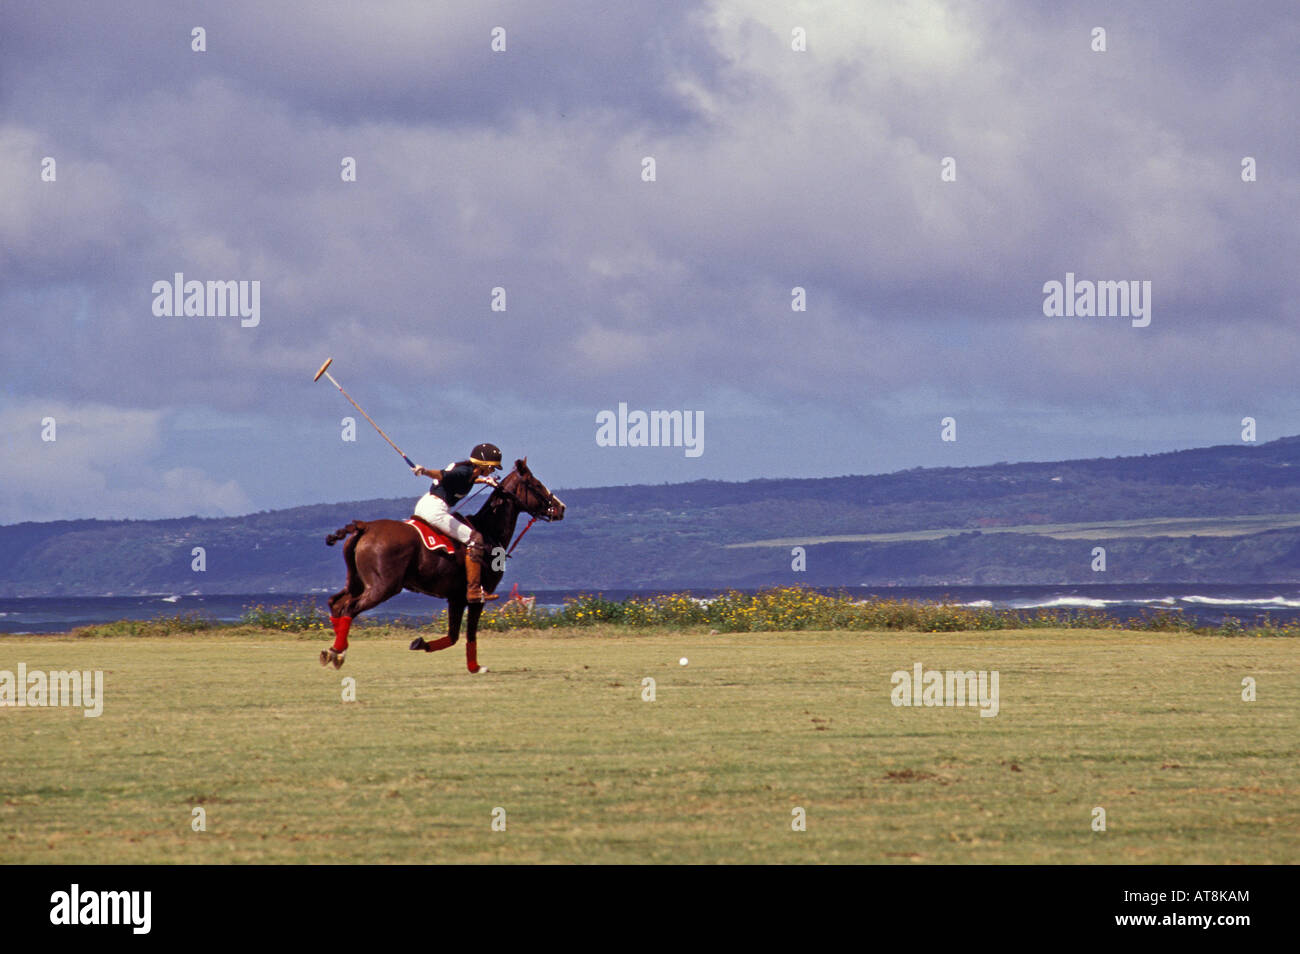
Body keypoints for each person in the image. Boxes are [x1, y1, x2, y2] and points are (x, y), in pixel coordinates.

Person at [411, 443, 503, 602]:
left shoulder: (469, 472)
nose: (493, 471)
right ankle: (474, 590)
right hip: (435, 510)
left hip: (426, 505)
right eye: (492, 468)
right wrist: (424, 471)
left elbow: (469, 480)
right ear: (484, 465)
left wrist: (485, 481)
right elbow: (441, 475)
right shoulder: (463, 471)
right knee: (476, 539)